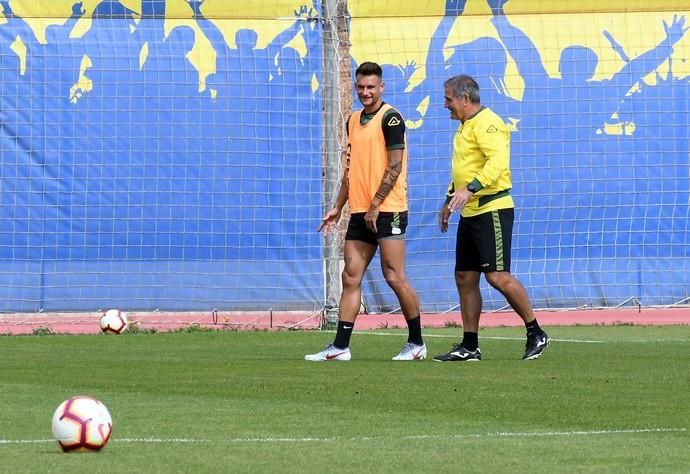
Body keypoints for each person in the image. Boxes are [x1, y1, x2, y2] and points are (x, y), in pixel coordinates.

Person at [305, 62, 425, 361]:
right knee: (350, 276)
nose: (365, 92)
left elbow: (395, 167)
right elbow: (350, 170)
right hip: (360, 211)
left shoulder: (391, 119)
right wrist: (337, 206)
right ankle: (340, 347)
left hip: (389, 210)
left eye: (371, 87)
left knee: (394, 276)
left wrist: (375, 207)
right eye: (361, 87)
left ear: (381, 87)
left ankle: (417, 343)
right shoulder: (352, 120)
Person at [433, 75, 549, 362]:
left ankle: (536, 332)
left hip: (492, 209)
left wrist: (471, 189)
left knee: (497, 276)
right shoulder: (464, 128)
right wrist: (450, 200)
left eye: (448, 99)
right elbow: (463, 170)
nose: (445, 105)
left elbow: (497, 163)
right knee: (464, 276)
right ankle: (470, 346)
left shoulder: (489, 123)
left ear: (464, 99)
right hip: (471, 212)